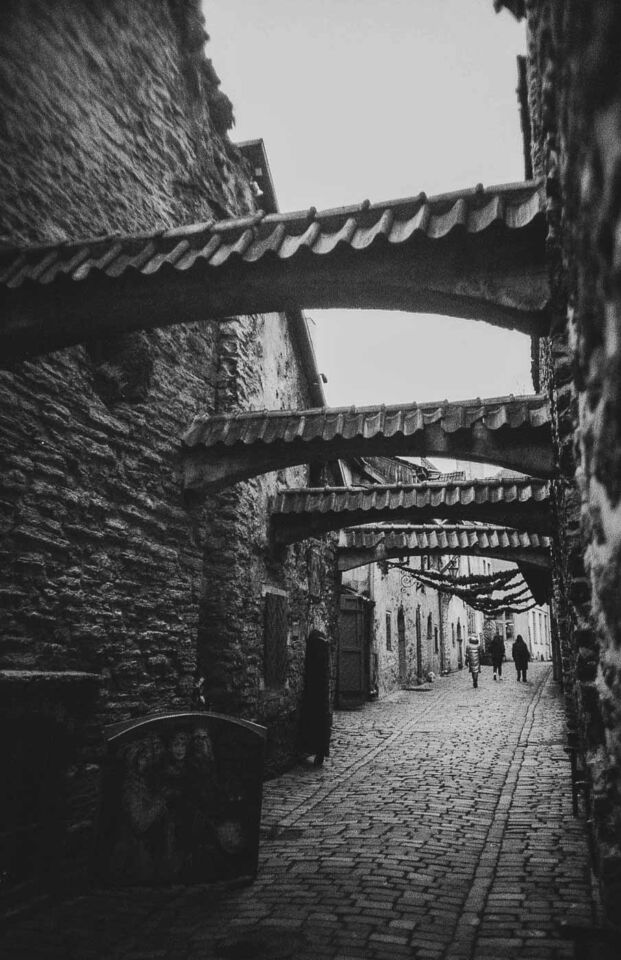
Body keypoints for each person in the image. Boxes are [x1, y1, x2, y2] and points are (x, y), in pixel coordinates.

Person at [299, 628, 332, 767]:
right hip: (321, 692)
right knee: (321, 722)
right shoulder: (324, 650)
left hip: (314, 691)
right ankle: (319, 750)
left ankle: (313, 749)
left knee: (315, 721)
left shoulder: (316, 648)